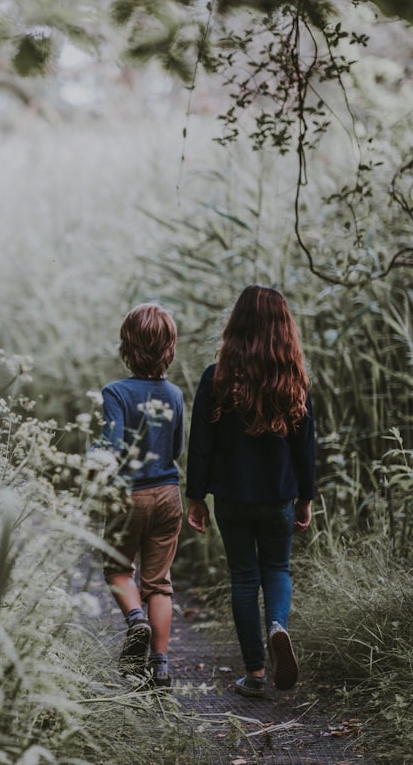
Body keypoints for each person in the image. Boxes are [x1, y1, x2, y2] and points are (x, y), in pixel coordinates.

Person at [186, 284, 315, 698]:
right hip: (277, 496)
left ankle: (256, 674)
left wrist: (196, 496)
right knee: (276, 569)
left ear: (235, 325)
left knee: (243, 577)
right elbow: (305, 445)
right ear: (283, 329)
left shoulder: (217, 377)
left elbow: (200, 442)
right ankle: (278, 625)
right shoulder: (292, 379)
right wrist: (306, 497)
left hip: (231, 497)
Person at [95, 303, 184, 688]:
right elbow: (177, 448)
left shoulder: (115, 392)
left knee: (117, 568)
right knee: (159, 582)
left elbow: (111, 447)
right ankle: (161, 666)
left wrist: (90, 458)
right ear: (169, 348)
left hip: (127, 495)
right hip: (167, 494)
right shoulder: (176, 394)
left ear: (126, 347)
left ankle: (136, 621)